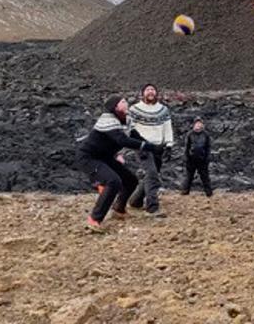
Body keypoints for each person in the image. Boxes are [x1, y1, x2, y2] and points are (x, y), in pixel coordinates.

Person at [75, 96, 162, 232]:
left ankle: (118, 209)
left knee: (131, 180)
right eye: (122, 101)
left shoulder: (127, 120)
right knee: (113, 181)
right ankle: (94, 219)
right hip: (89, 157)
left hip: (105, 157)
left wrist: (153, 147)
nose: (126, 103)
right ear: (115, 107)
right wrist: (148, 147)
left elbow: (136, 137)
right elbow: (122, 140)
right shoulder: (107, 119)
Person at [128, 84, 174, 216]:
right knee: (152, 174)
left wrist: (169, 145)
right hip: (143, 147)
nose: (150, 92)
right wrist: (137, 144)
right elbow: (130, 128)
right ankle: (152, 207)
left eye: (153, 90)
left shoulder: (163, 110)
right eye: (147, 90)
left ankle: (135, 201)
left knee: (150, 176)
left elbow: (167, 127)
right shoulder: (135, 109)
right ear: (142, 93)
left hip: (158, 147)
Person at [182, 117, 213, 197]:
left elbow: (208, 147)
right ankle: (185, 192)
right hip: (191, 159)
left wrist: (208, 157)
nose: (198, 125)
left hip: (202, 159)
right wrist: (186, 157)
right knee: (189, 177)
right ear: (194, 125)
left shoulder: (206, 134)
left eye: (200, 123)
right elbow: (187, 146)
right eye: (197, 123)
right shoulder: (190, 134)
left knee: (205, 177)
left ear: (202, 125)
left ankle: (209, 193)